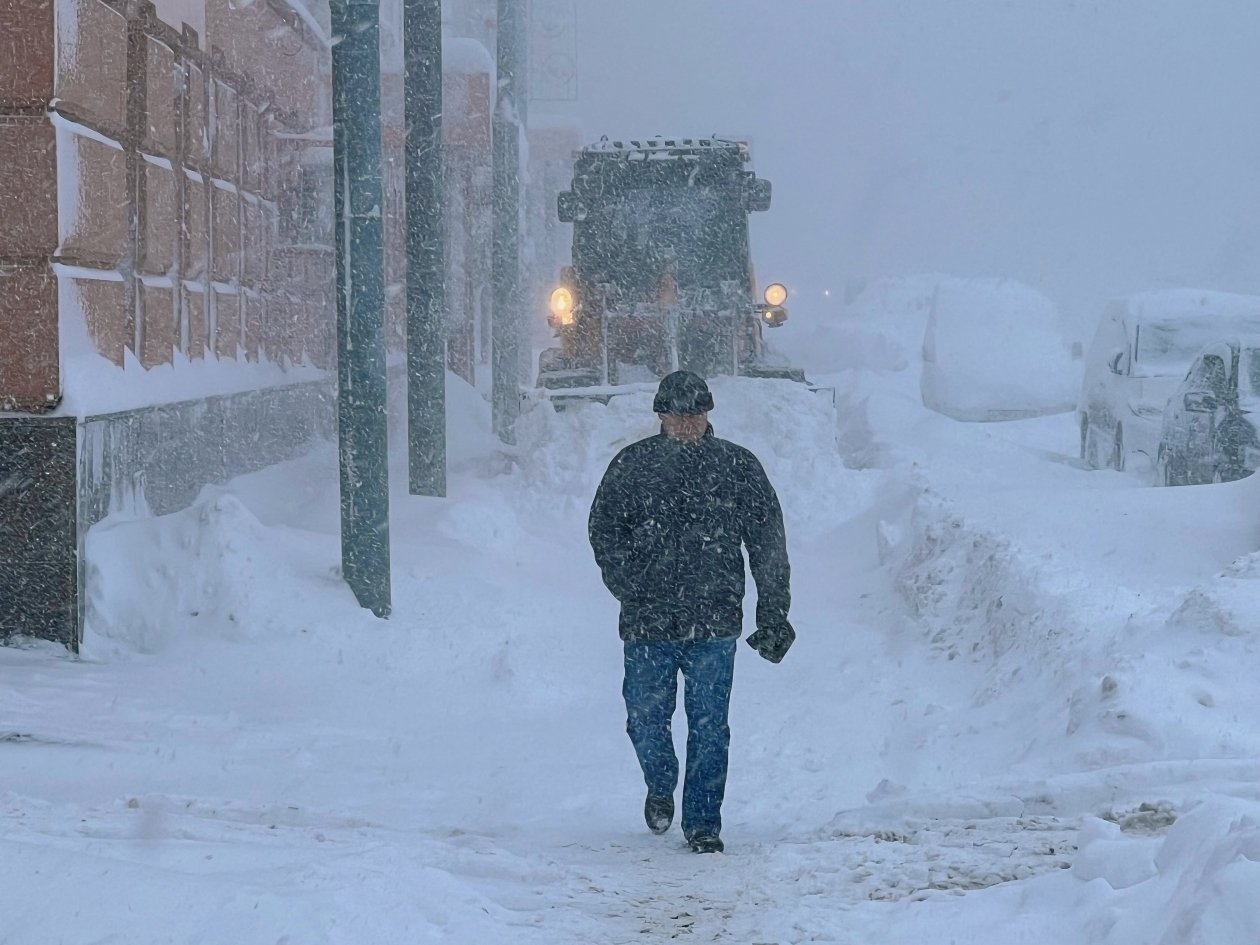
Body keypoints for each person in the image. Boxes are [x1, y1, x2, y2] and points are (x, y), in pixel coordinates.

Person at [588, 370, 795, 854]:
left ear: (708, 416)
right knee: (645, 718)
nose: (688, 425)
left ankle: (703, 822)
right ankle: (661, 785)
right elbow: (604, 531)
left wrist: (774, 611)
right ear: (661, 417)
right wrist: (630, 588)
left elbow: (767, 544)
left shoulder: (738, 468)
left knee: (709, 726)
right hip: (647, 622)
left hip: (715, 620)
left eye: (697, 416)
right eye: (680, 417)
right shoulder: (632, 466)